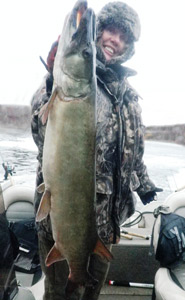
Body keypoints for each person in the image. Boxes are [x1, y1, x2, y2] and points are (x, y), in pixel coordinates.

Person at [31, 2, 162, 299]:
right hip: (64, 219)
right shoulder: (69, 82)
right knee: (59, 294)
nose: (115, 40)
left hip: (107, 223)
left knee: (91, 291)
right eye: (111, 30)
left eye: (124, 37)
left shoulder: (128, 94)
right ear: (99, 31)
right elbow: (41, 132)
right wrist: (52, 80)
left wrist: (145, 184)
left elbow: (132, 149)